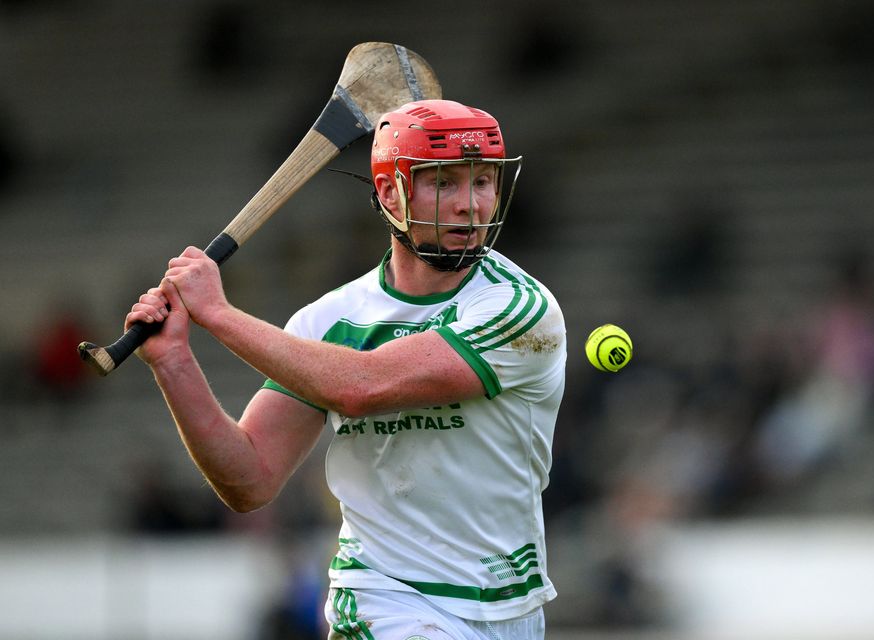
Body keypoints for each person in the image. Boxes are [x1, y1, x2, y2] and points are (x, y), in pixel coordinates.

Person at [125, 99, 567, 640]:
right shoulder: (329, 320)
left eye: (482, 183)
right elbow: (249, 479)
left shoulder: (518, 308)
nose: (469, 206)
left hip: (511, 608)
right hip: (386, 603)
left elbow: (364, 385)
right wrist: (174, 363)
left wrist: (217, 314)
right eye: (444, 183)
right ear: (389, 193)